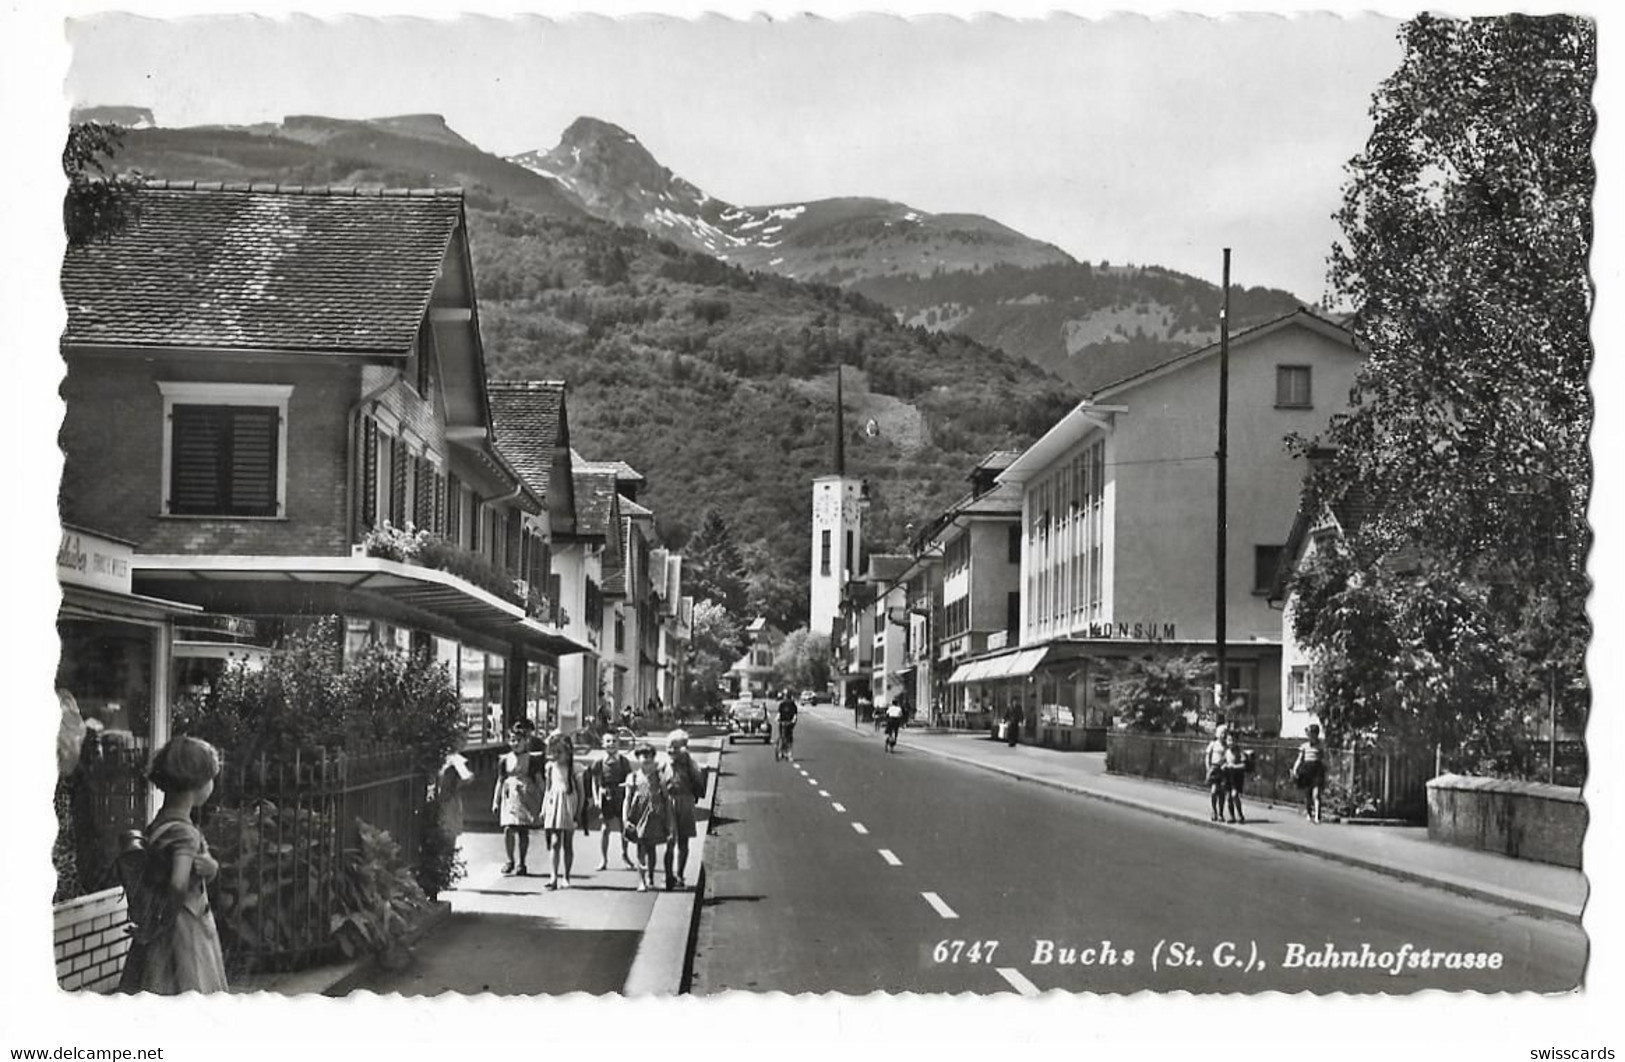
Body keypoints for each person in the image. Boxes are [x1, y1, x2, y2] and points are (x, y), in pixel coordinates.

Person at [117, 735, 228, 994]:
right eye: (210, 779)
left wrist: (210, 868)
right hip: (185, 931)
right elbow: (178, 884)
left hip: (162, 924)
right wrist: (161, 924)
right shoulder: (185, 833)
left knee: (153, 982)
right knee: (191, 990)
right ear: (196, 784)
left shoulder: (158, 824)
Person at [492, 720, 540, 876]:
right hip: (509, 796)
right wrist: (496, 801)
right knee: (508, 828)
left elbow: (539, 780)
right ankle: (509, 859)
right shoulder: (504, 760)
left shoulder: (532, 760)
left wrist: (546, 798)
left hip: (525, 795)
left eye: (518, 740)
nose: (515, 743)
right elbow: (500, 781)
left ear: (525, 741)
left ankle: (522, 862)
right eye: (512, 740)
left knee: (523, 831)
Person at [622, 741, 670, 892]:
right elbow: (628, 799)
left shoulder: (658, 776)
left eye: (649, 756)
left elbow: (665, 797)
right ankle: (641, 880)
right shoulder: (634, 777)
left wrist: (668, 818)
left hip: (654, 814)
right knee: (640, 847)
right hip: (639, 815)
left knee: (652, 848)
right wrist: (625, 819)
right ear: (637, 757)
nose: (646, 758)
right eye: (643, 755)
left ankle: (650, 875)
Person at [662, 730, 706, 891]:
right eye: (668, 747)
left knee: (683, 840)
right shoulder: (664, 763)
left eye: (675, 747)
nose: (671, 750)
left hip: (686, 801)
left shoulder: (689, 763)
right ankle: (668, 876)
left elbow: (698, 781)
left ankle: (679, 875)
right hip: (669, 803)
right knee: (669, 840)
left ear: (684, 748)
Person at [587, 733, 635, 870]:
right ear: (603, 744)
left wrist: (628, 796)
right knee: (605, 828)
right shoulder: (599, 762)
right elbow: (594, 781)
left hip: (620, 796)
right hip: (606, 796)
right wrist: (596, 798)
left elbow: (629, 779)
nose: (611, 743)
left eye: (614, 741)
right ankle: (603, 859)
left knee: (624, 827)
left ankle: (625, 855)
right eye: (608, 741)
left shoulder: (623, 761)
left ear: (619, 744)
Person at [539, 730, 580, 889]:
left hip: (568, 804)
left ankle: (566, 876)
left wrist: (578, 813)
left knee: (568, 843)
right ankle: (553, 876)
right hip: (554, 804)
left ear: (568, 753)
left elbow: (580, 792)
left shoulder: (574, 769)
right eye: (553, 752)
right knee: (555, 842)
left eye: (559, 752)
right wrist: (544, 808)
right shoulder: (550, 767)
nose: (555, 755)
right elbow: (548, 789)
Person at [1292, 724, 1327, 823]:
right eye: (1308, 735)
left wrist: (1326, 769)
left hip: (1317, 770)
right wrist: (1295, 769)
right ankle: (1309, 813)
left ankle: (1317, 816)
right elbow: (1299, 759)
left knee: (1316, 794)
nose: (1309, 736)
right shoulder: (1304, 746)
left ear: (1316, 734)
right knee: (1308, 794)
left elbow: (1324, 759)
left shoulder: (1320, 746)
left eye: (1311, 734)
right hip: (1307, 770)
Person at [1221, 730, 1250, 824]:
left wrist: (1234, 766)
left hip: (1237, 776)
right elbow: (1224, 761)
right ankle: (1232, 816)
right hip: (1228, 775)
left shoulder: (1239, 752)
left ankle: (1240, 815)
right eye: (1229, 740)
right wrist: (1224, 766)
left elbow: (1244, 765)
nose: (1231, 742)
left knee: (1234, 795)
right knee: (1228, 797)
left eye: (1233, 740)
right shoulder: (1226, 752)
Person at [1204, 724, 1229, 822]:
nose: (1223, 735)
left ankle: (1220, 813)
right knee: (1214, 791)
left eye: (1225, 733)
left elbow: (1229, 757)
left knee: (1222, 792)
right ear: (1218, 734)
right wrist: (1208, 768)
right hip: (1214, 768)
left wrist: (1226, 765)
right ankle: (1213, 811)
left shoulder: (1227, 745)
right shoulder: (1213, 744)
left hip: (1223, 770)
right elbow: (1207, 756)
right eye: (1222, 733)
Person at [776, 689, 799, 761]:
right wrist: (777, 718)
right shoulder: (782, 704)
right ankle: (781, 751)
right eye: (785, 696)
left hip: (789, 723)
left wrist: (793, 720)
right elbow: (779, 713)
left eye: (787, 696)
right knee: (782, 736)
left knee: (789, 738)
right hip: (782, 722)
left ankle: (789, 754)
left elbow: (795, 714)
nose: (786, 698)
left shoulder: (793, 704)